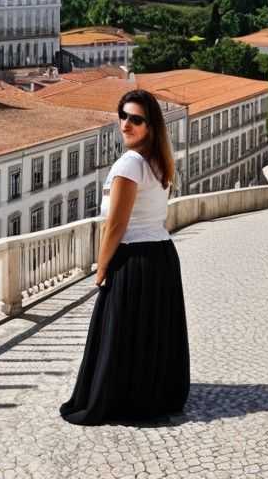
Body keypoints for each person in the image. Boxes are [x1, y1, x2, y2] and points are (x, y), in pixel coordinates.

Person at [59, 89, 190, 425]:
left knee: (121, 332)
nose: (126, 124)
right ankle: (153, 393)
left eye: (136, 119)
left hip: (133, 256)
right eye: (123, 116)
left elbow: (115, 225)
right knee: (150, 332)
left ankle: (120, 397)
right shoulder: (158, 161)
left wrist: (101, 267)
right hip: (160, 254)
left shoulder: (130, 163)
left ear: (151, 125)